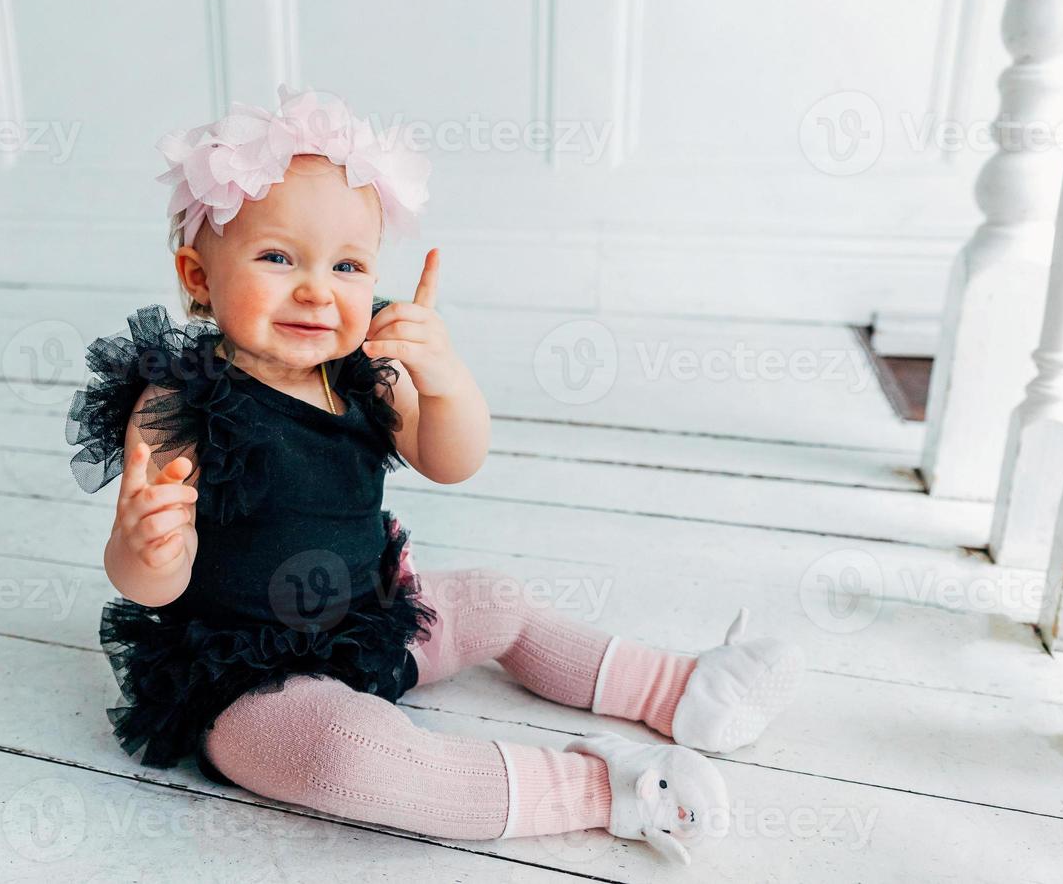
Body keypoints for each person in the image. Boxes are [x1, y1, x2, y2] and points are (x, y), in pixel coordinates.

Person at [65, 85, 804, 864]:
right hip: (244, 678)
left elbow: (453, 461)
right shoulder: (181, 398)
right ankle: (604, 789)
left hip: (371, 624)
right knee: (350, 756)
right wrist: (147, 548)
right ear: (198, 277)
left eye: (348, 264)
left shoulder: (362, 373)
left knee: (496, 600)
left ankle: (682, 691)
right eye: (278, 257)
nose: (318, 288)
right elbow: (144, 583)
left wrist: (443, 377)